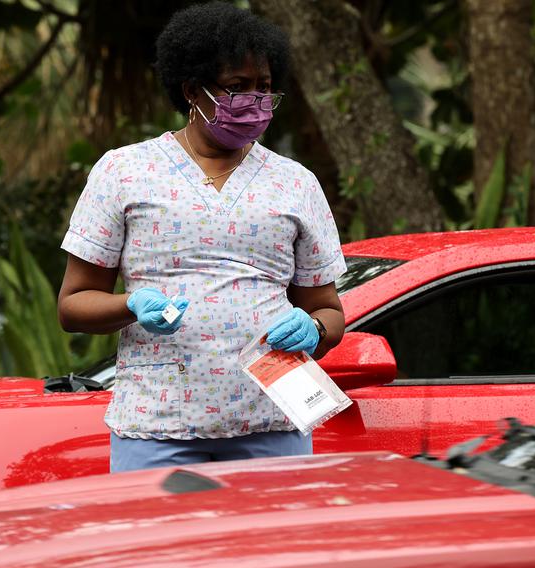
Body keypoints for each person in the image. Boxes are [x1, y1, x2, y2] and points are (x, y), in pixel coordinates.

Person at [56, 2, 346, 472]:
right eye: (237, 87)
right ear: (193, 89)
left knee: (270, 546)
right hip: (158, 423)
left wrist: (313, 331)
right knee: (160, 546)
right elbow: (73, 305)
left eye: (265, 88)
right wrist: (130, 305)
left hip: (271, 420)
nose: (254, 100)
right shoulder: (124, 171)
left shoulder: (296, 183)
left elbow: (328, 310)